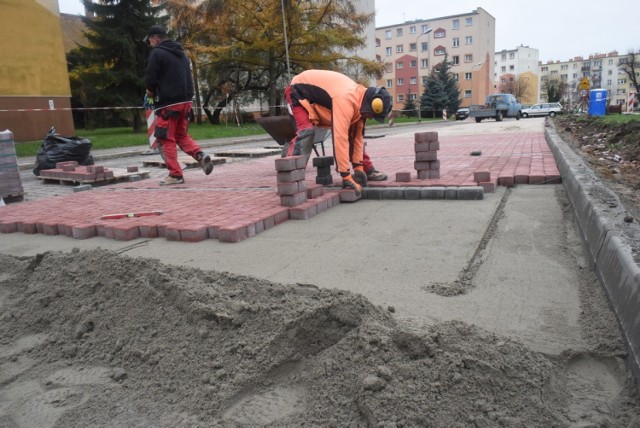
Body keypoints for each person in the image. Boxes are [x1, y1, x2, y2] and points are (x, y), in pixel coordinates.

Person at [284, 70, 392, 196]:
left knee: (352, 130)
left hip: (317, 100)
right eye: (372, 115)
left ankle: (289, 162)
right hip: (297, 91)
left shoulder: (360, 103)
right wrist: (346, 175)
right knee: (306, 131)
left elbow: (357, 138)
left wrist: (358, 169)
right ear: (372, 105)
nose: (371, 118)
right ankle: (288, 180)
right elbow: (340, 138)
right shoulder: (346, 99)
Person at [144, 26, 213, 185]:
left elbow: (151, 78)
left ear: (155, 38)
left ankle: (175, 175)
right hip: (185, 102)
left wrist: (150, 92)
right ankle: (200, 156)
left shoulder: (157, 53)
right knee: (181, 135)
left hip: (167, 104)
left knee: (165, 138)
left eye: (149, 41)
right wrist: (188, 97)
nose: (150, 44)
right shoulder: (181, 53)